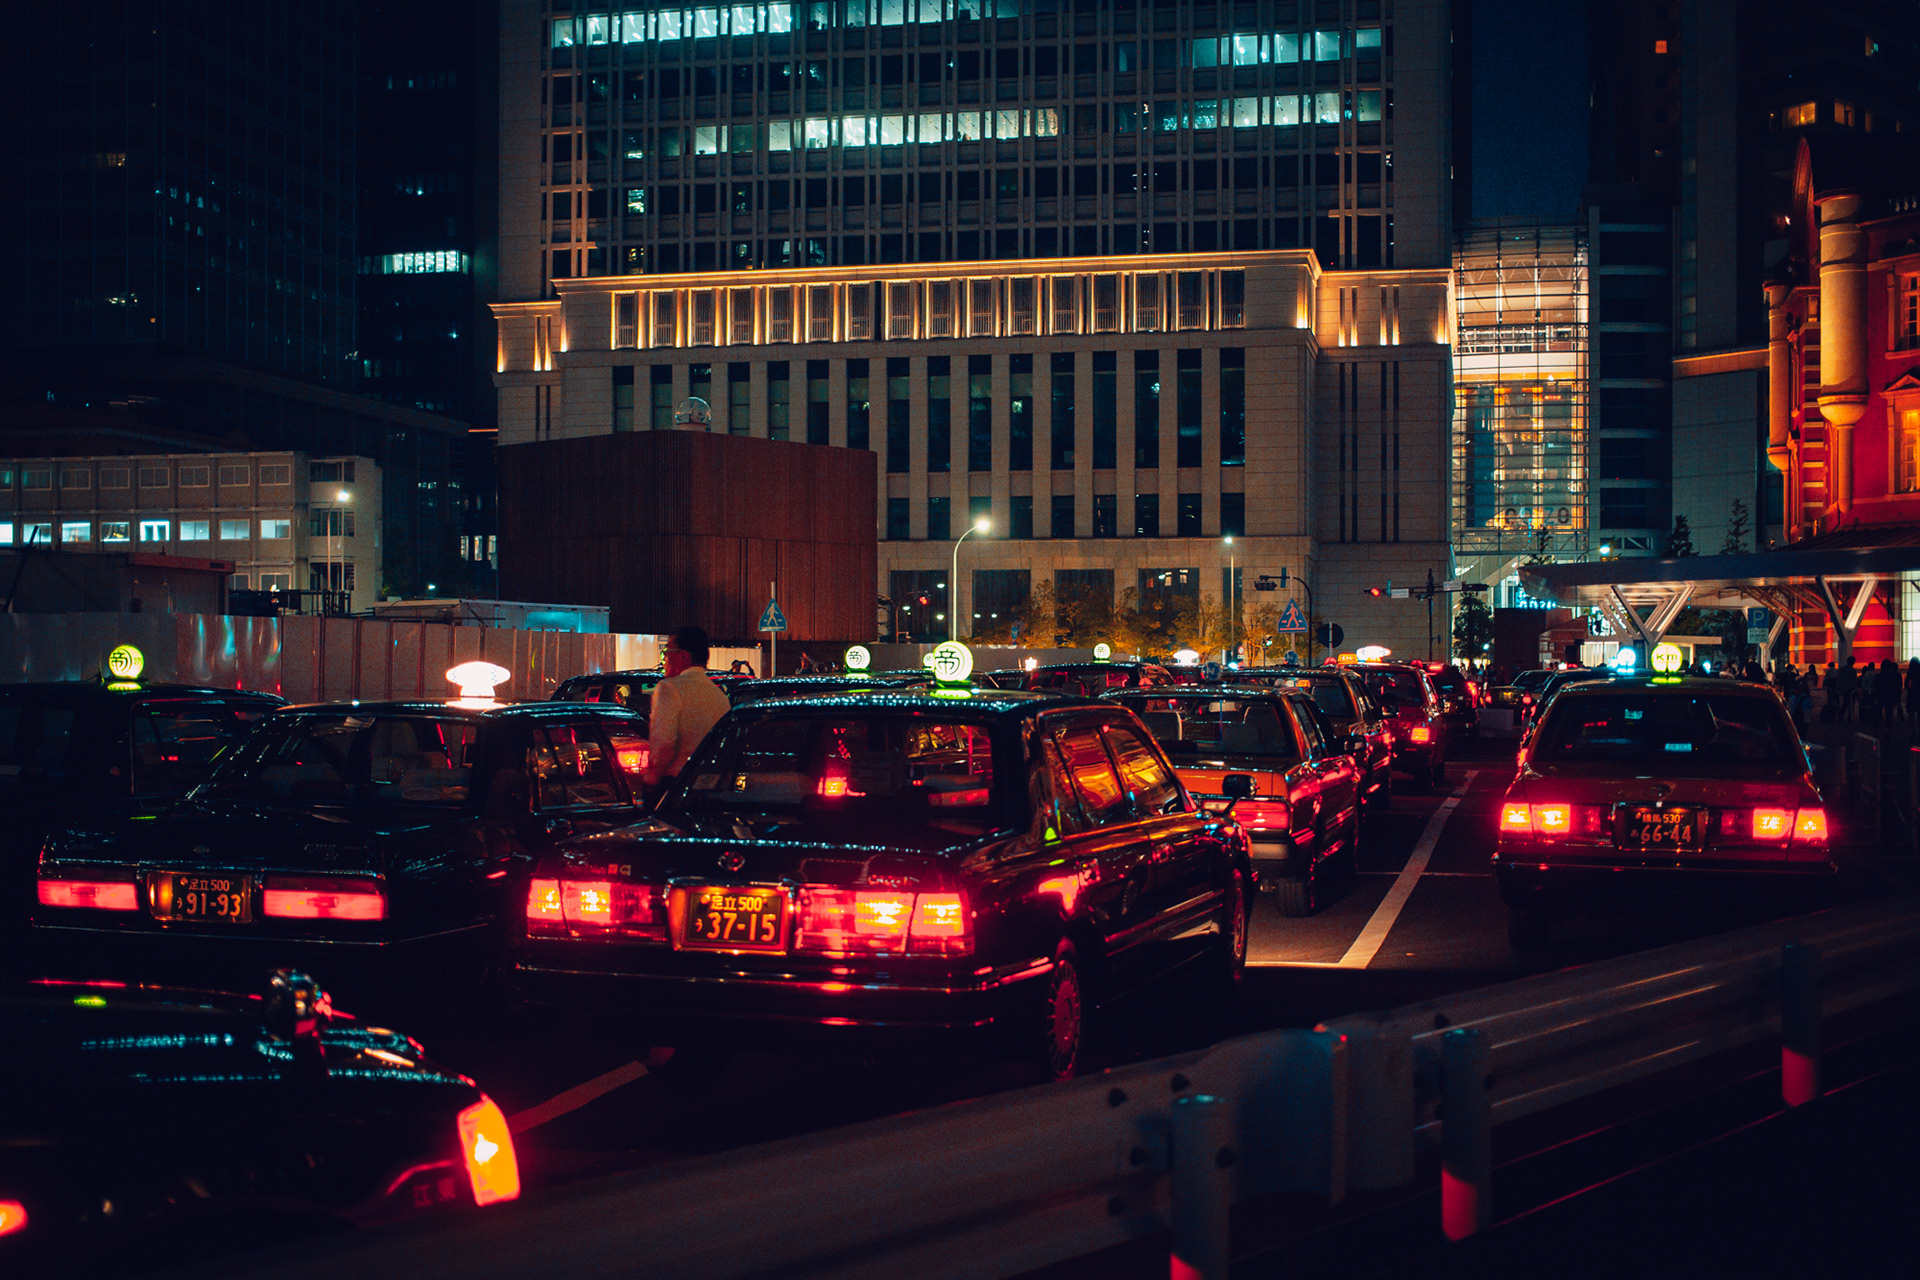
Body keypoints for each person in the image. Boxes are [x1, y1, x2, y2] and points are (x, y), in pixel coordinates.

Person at [642, 625, 732, 804]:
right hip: (711, 787)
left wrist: (652, 780)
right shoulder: (720, 697)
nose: (664, 659)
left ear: (683, 655)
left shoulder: (669, 689)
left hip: (675, 786)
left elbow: (664, 744)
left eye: (667, 652)